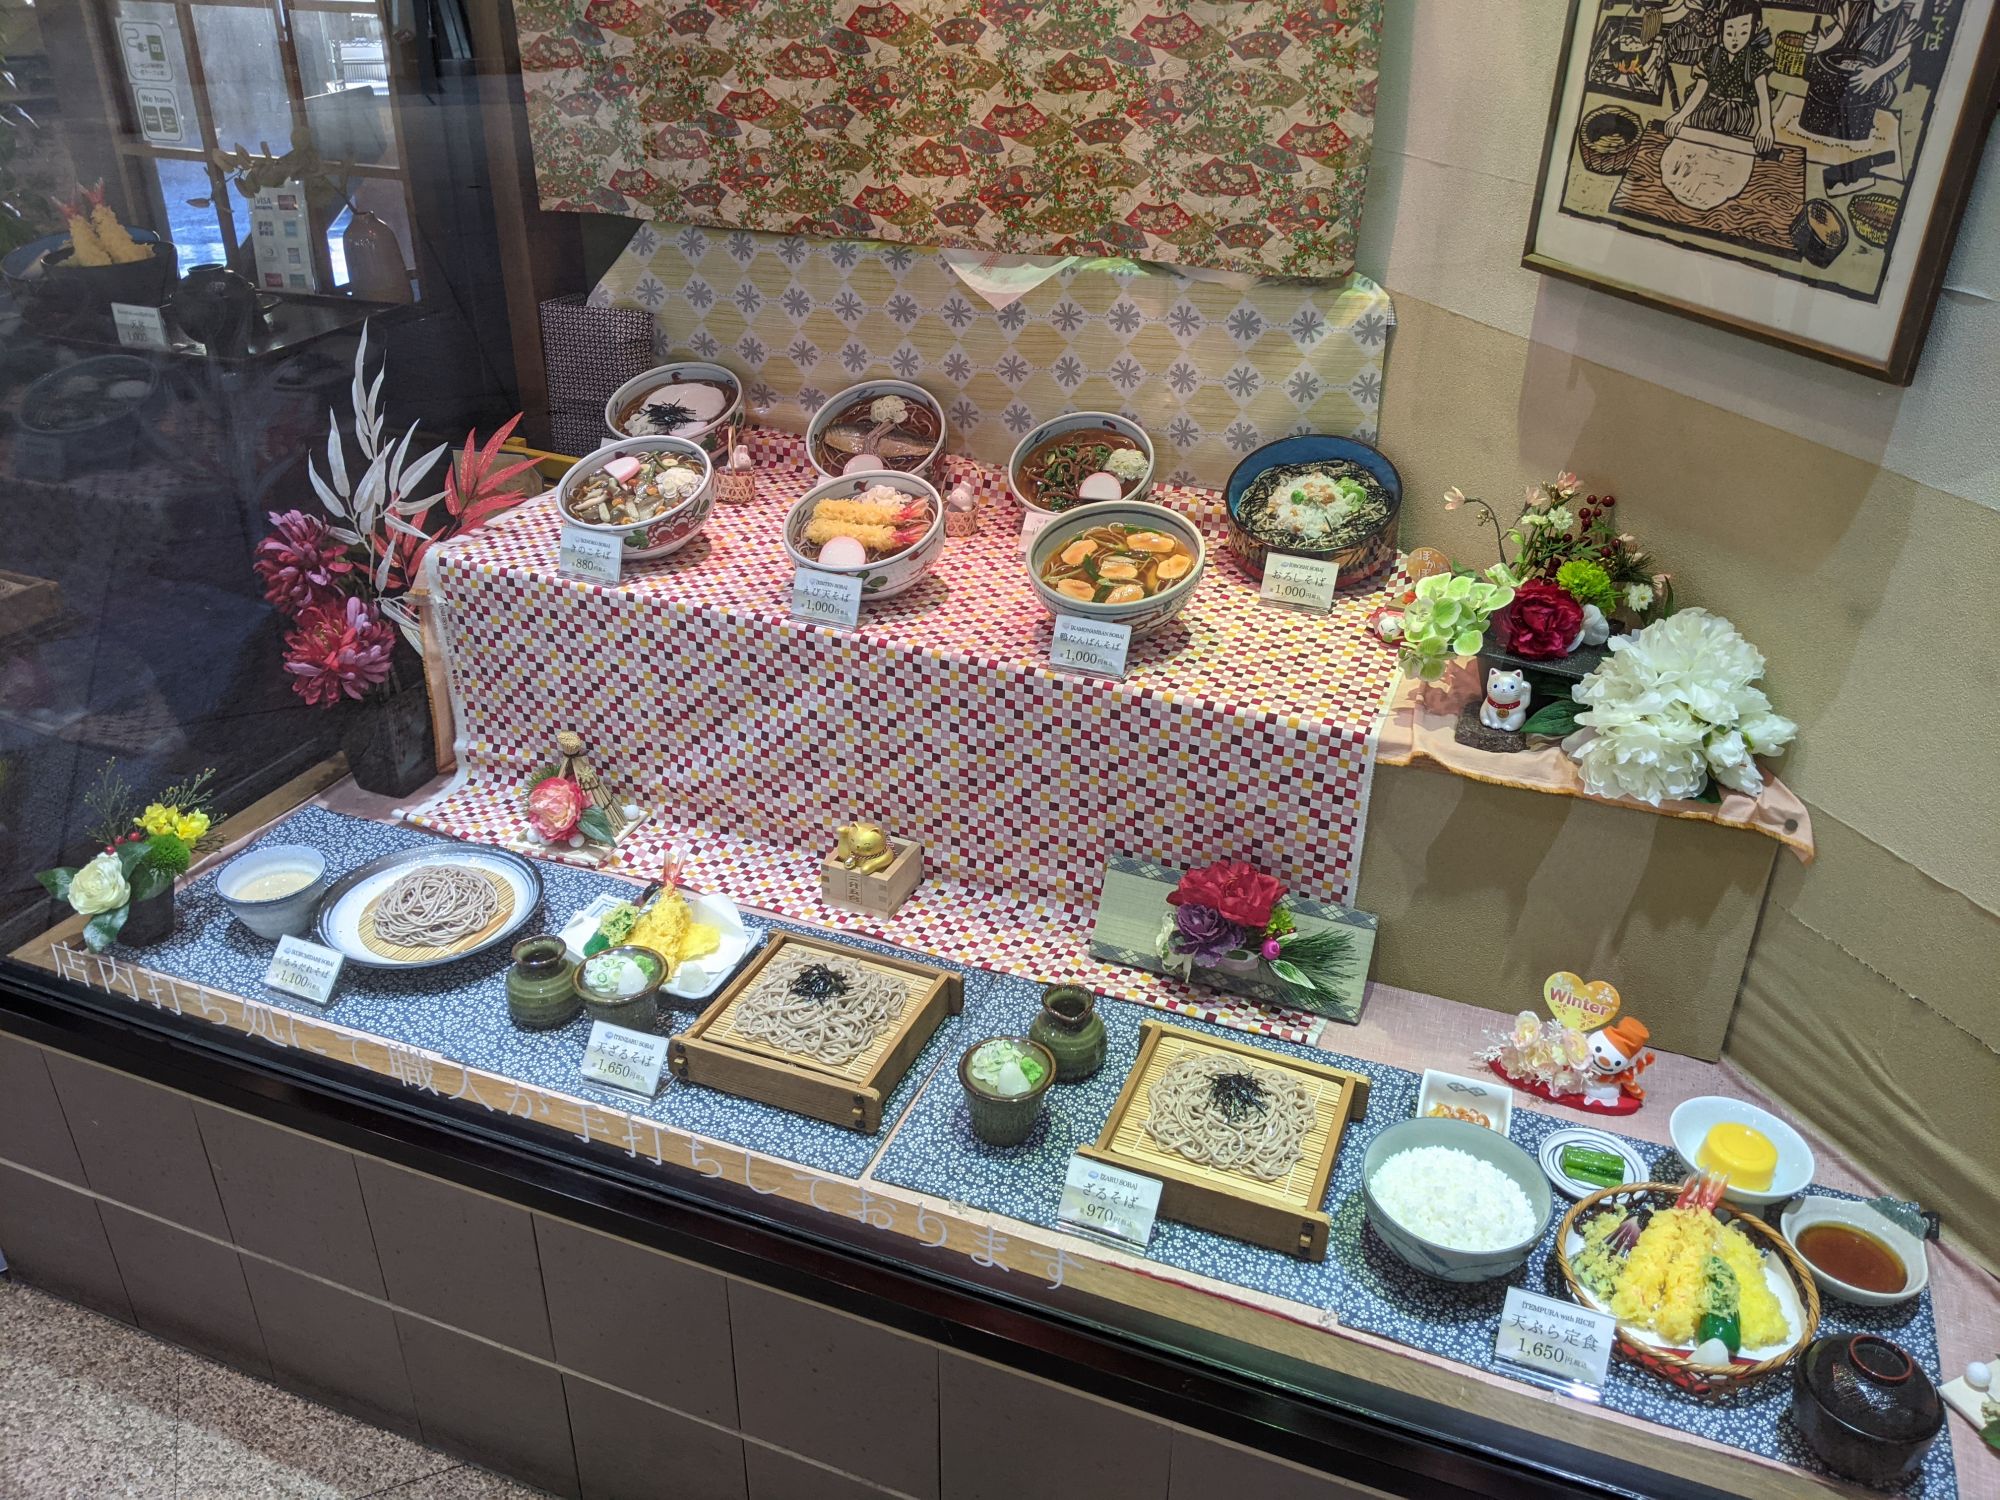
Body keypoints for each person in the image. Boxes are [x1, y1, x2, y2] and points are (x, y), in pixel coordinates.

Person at [1664, 0, 1777, 152]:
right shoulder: (1713, 53)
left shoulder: (1755, 58)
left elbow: (1763, 96)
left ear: (1755, 28)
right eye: (1729, 33)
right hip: (1706, 110)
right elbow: (1700, 89)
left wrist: (1766, 126)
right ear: (1721, 29)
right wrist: (1681, 115)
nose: (1735, 38)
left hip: (1737, 116)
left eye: (1743, 33)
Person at [1804, 0, 1921, 138]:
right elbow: (1838, 32)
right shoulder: (1853, 7)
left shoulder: (1903, 22)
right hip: (1838, 71)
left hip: (1873, 78)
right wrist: (1820, 45)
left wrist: (1876, 73)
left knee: (1875, 105)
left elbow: (1902, 52)